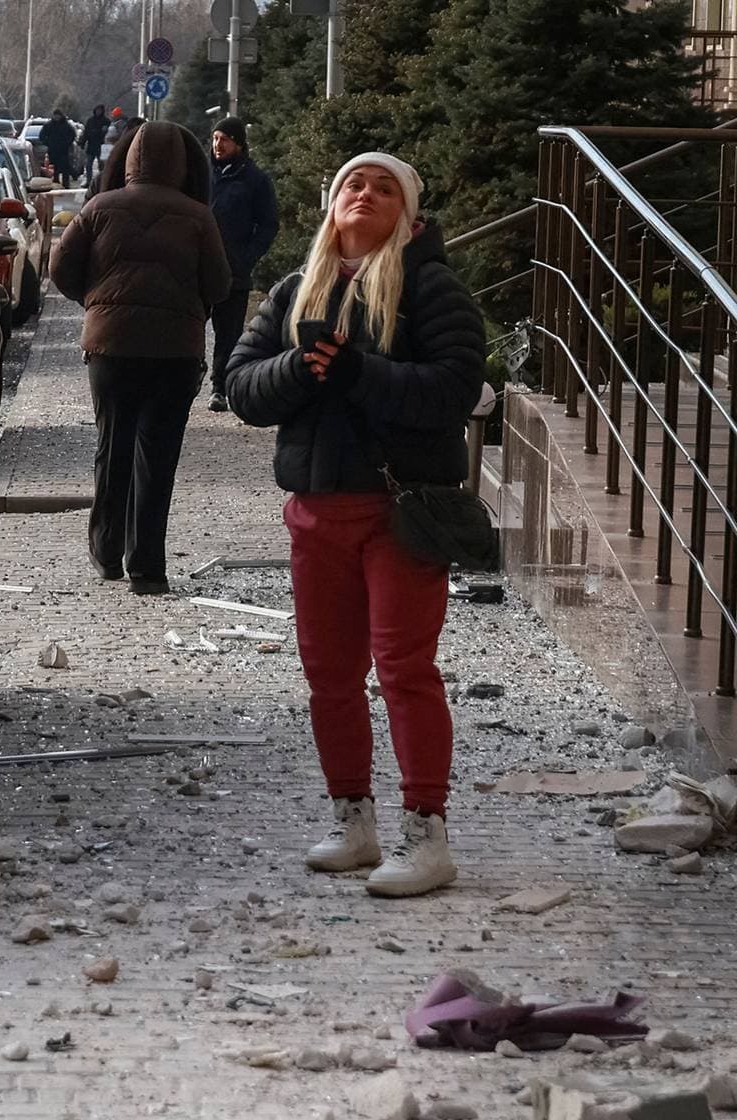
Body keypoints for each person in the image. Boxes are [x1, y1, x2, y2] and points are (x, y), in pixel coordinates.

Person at [223, 153, 485, 898]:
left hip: (399, 515)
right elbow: (240, 387)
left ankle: (427, 837)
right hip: (315, 513)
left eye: (383, 188)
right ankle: (353, 824)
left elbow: (455, 388)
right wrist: (301, 371)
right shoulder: (291, 292)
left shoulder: (431, 287)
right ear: (331, 205)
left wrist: (358, 373)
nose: (364, 195)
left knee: (405, 673)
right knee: (329, 678)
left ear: (408, 212)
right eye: (351, 185)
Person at [50, 121, 230, 596]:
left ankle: (106, 552)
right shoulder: (197, 216)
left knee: (113, 446)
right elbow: (219, 285)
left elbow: (60, 270)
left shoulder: (98, 209)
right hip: (175, 352)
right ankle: (147, 567)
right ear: (185, 164)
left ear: (127, 159)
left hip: (111, 349)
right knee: (159, 455)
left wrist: (97, 303)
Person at [205, 117, 278, 413]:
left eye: (224, 139)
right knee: (190, 325)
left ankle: (220, 386)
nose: (218, 145)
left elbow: (268, 224)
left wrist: (247, 256)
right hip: (198, 267)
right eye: (214, 138)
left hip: (233, 269)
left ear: (238, 143)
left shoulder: (255, 180)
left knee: (228, 332)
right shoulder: (202, 175)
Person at [39, 108, 79, 188]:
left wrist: (67, 143)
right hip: (53, 149)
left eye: (58, 116)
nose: (56, 117)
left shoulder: (66, 125)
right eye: (55, 116)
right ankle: (55, 182)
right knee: (54, 167)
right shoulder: (49, 125)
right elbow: (42, 136)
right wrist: (48, 143)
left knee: (65, 168)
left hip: (63, 150)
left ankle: (66, 184)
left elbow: (72, 135)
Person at [82, 105, 107, 183]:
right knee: (88, 165)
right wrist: (82, 142)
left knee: (102, 166)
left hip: (101, 145)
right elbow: (86, 133)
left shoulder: (106, 121)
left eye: (100, 110)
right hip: (91, 145)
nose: (98, 112)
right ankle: (89, 181)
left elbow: (109, 134)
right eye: (97, 110)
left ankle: (102, 181)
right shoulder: (90, 121)